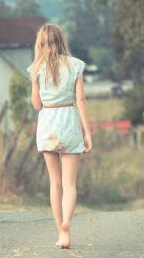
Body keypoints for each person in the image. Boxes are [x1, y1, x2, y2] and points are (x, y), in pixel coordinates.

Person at [26, 23, 93, 249]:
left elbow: (36, 105)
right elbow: (81, 101)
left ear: (40, 44)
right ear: (61, 41)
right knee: (70, 184)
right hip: (69, 123)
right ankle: (66, 223)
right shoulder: (75, 66)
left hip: (48, 124)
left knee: (55, 183)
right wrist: (87, 132)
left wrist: (36, 82)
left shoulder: (36, 68)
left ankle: (60, 233)